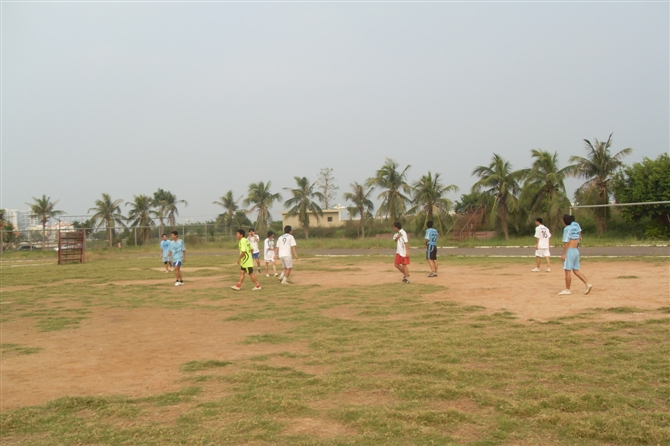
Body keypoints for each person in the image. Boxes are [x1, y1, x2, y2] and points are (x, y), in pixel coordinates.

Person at [558, 214, 592, 295]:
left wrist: (564, 254)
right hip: (576, 250)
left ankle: (567, 289)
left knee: (567, 271)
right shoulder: (575, 227)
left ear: (564, 221)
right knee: (576, 270)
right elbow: (579, 236)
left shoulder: (567, 229)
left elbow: (566, 242)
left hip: (569, 251)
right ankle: (587, 283)